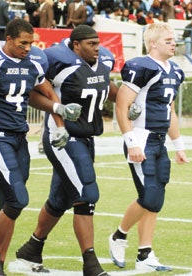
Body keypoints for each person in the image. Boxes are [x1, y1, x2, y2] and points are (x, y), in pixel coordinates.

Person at [0, 18, 82, 276]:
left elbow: (46, 94)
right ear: (8, 39)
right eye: (22, 43)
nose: (27, 48)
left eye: (31, 43)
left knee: (10, 204)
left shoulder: (34, 60)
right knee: (18, 199)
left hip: (20, 137)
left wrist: (60, 122)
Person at [16, 25, 118, 276]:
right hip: (63, 137)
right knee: (86, 193)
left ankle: (32, 248)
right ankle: (90, 264)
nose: (97, 48)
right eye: (90, 44)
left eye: (98, 43)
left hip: (87, 137)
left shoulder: (103, 59)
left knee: (60, 200)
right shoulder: (56, 59)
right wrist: (57, 111)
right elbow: (33, 93)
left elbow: (107, 86)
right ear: (75, 45)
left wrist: (131, 100)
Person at [109, 22, 189, 272]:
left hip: (159, 141)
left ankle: (145, 254)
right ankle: (119, 236)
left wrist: (179, 145)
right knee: (149, 197)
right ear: (152, 43)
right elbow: (122, 107)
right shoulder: (140, 67)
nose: (173, 43)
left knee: (156, 199)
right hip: (140, 138)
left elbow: (170, 111)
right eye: (168, 40)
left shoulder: (175, 71)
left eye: (173, 39)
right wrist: (130, 140)